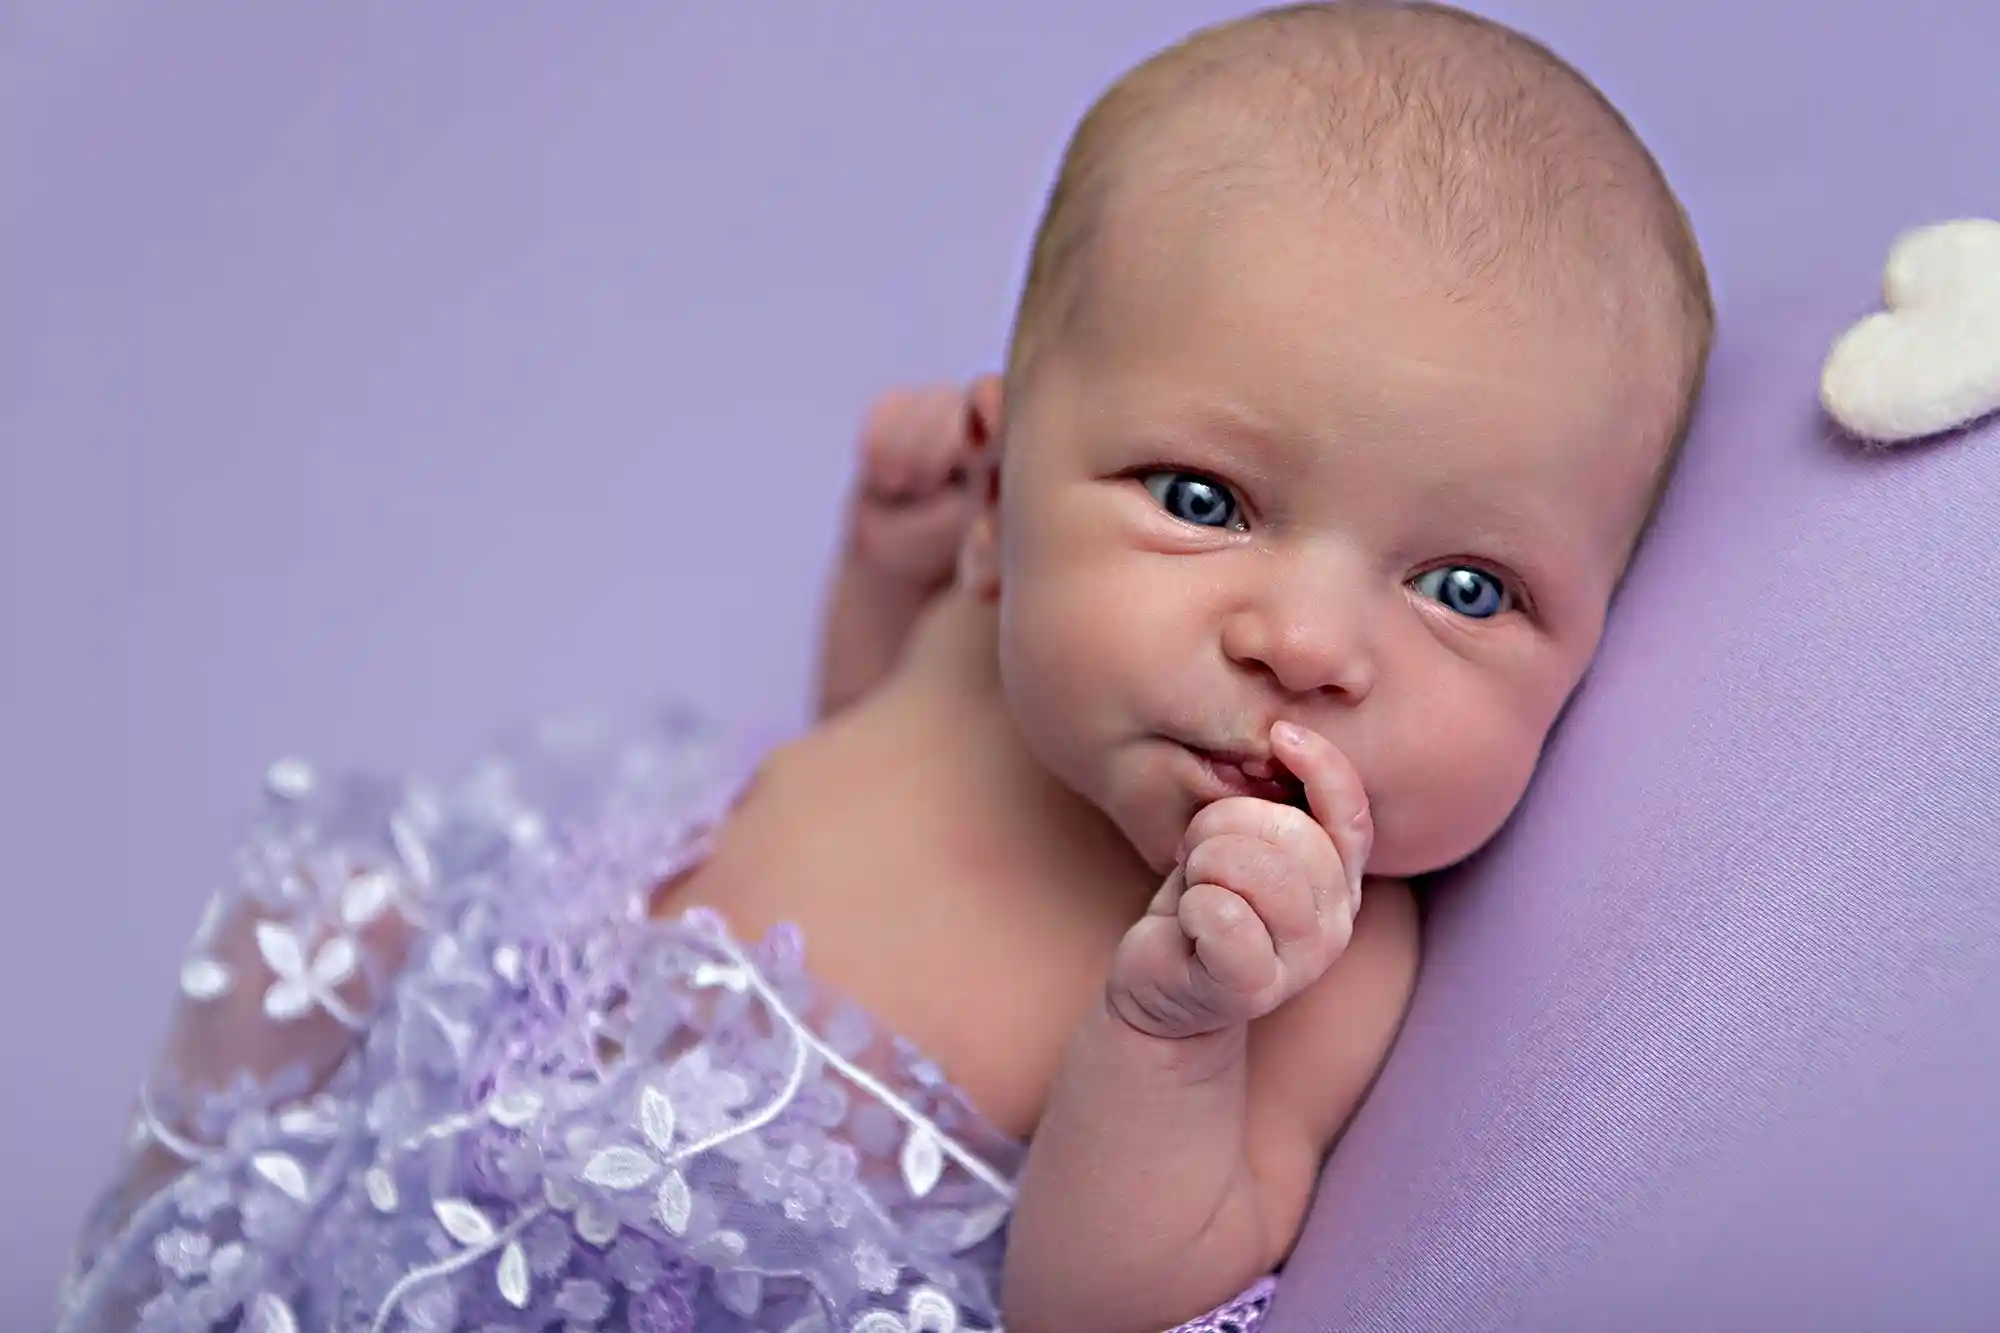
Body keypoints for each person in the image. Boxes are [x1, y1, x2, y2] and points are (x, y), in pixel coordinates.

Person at [54, 3, 1712, 1330]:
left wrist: (1177, 1030)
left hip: (688, 1281)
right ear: (1009, 481)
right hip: (502, 1072)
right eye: (1204, 502)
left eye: (1466, 587)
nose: (1311, 643)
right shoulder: (989, 641)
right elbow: (848, 756)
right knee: (310, 941)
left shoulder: (1315, 955)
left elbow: (1109, 1305)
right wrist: (884, 566)